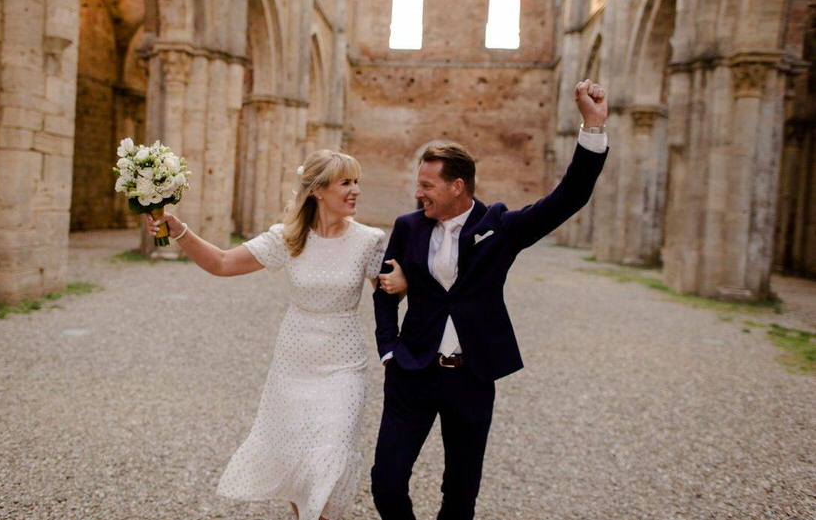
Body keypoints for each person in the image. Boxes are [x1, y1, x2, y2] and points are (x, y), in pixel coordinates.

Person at [370, 79, 610, 520]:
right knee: (385, 481)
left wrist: (592, 127)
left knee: (460, 494)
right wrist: (388, 348)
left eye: (427, 185)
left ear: (457, 186)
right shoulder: (407, 227)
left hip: (471, 376)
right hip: (411, 372)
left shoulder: (500, 227)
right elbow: (384, 289)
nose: (418, 192)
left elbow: (569, 197)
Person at [145, 150, 403, 520]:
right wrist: (179, 229)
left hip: (344, 364)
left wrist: (404, 283)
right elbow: (221, 262)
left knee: (330, 452)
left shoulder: (370, 240)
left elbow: (389, 289)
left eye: (356, 182)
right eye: (346, 182)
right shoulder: (288, 238)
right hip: (294, 361)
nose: (356, 190)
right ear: (318, 190)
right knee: (298, 457)